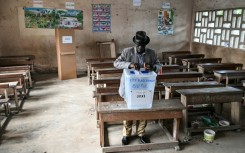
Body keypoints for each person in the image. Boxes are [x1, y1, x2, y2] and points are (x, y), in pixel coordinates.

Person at [113, 31, 162, 145]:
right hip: (130, 87)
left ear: (146, 44)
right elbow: (116, 63)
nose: (140, 47)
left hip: (145, 87)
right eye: (138, 45)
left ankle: (141, 133)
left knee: (143, 109)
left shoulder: (152, 53)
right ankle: (126, 134)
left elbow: (159, 66)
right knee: (129, 110)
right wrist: (129, 64)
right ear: (135, 43)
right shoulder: (127, 52)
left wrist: (153, 67)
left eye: (143, 45)